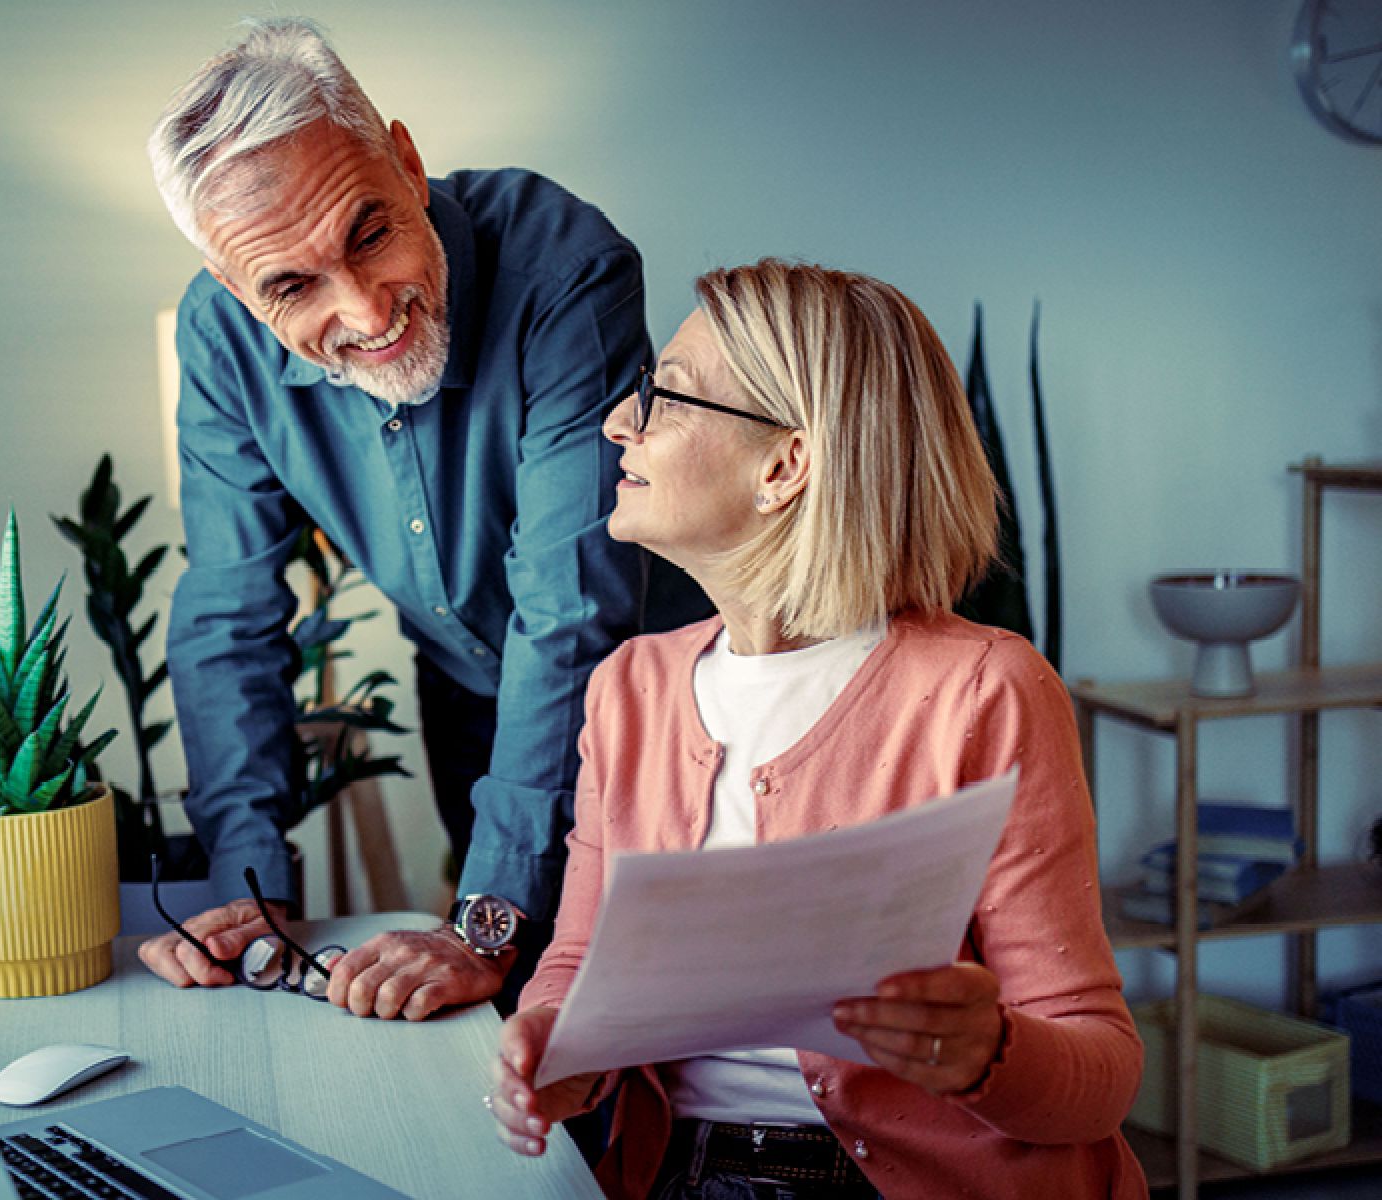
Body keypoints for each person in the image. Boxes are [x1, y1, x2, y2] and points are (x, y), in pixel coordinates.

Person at [488, 261, 1148, 1198]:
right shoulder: (628, 690)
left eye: (662, 396)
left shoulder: (986, 689)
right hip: (677, 1173)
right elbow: (580, 964)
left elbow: (1101, 1077)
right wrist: (553, 1046)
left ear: (785, 465)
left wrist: (989, 1054)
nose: (616, 424)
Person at [136, 18, 704, 1020]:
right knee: (513, 1022)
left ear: (406, 161)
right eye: (291, 285)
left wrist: (483, 914)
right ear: (233, 289)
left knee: (661, 1019)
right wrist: (249, 888)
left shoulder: (563, 263)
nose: (364, 310)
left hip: (663, 698)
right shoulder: (218, 341)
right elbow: (229, 611)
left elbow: (570, 607)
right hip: (469, 704)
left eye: (369, 233)